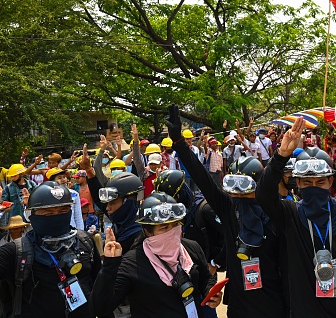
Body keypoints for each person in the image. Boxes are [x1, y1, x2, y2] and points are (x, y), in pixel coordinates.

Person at [167, 104, 286, 318]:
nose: (239, 195)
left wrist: (281, 157)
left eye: (245, 188)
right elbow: (202, 178)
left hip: (275, 304)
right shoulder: (230, 209)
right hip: (241, 305)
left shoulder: (277, 211)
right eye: (234, 188)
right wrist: (179, 143)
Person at [256, 117, 336, 318]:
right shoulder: (290, 214)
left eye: (320, 182)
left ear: (331, 181)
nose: (314, 188)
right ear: (297, 183)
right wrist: (281, 156)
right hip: (305, 310)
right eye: (307, 183)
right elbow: (263, 195)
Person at [90, 191, 221, 317]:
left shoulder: (191, 248)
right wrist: (110, 264)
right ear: (147, 232)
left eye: (175, 225)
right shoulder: (132, 263)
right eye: (164, 228)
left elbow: (205, 278)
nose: (172, 232)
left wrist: (210, 292)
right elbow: (101, 307)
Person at [0, 181, 101, 318]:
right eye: (48, 214)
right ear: (33, 215)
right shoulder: (15, 251)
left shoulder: (85, 241)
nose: (57, 217)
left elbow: (99, 288)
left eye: (63, 211)